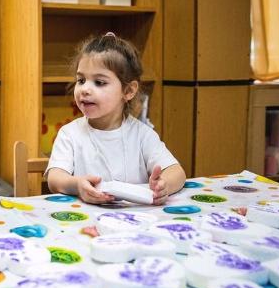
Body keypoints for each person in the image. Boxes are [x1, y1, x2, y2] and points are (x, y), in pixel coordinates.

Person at [45, 32, 186, 205]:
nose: (85, 89)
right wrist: (77, 185)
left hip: (136, 219)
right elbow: (54, 178)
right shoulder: (70, 134)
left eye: (99, 82)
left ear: (128, 91)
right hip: (85, 220)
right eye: (81, 80)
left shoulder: (142, 134)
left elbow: (177, 172)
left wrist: (164, 186)